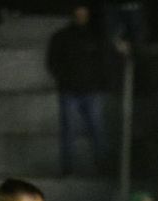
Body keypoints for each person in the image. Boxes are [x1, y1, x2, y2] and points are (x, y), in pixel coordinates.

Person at [47, 3, 112, 176]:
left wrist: (101, 83)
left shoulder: (96, 37)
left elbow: (104, 62)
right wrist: (64, 79)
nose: (81, 13)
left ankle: (103, 166)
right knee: (69, 130)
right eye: (78, 10)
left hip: (91, 90)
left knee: (97, 129)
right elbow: (53, 62)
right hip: (70, 90)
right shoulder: (62, 37)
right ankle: (68, 168)